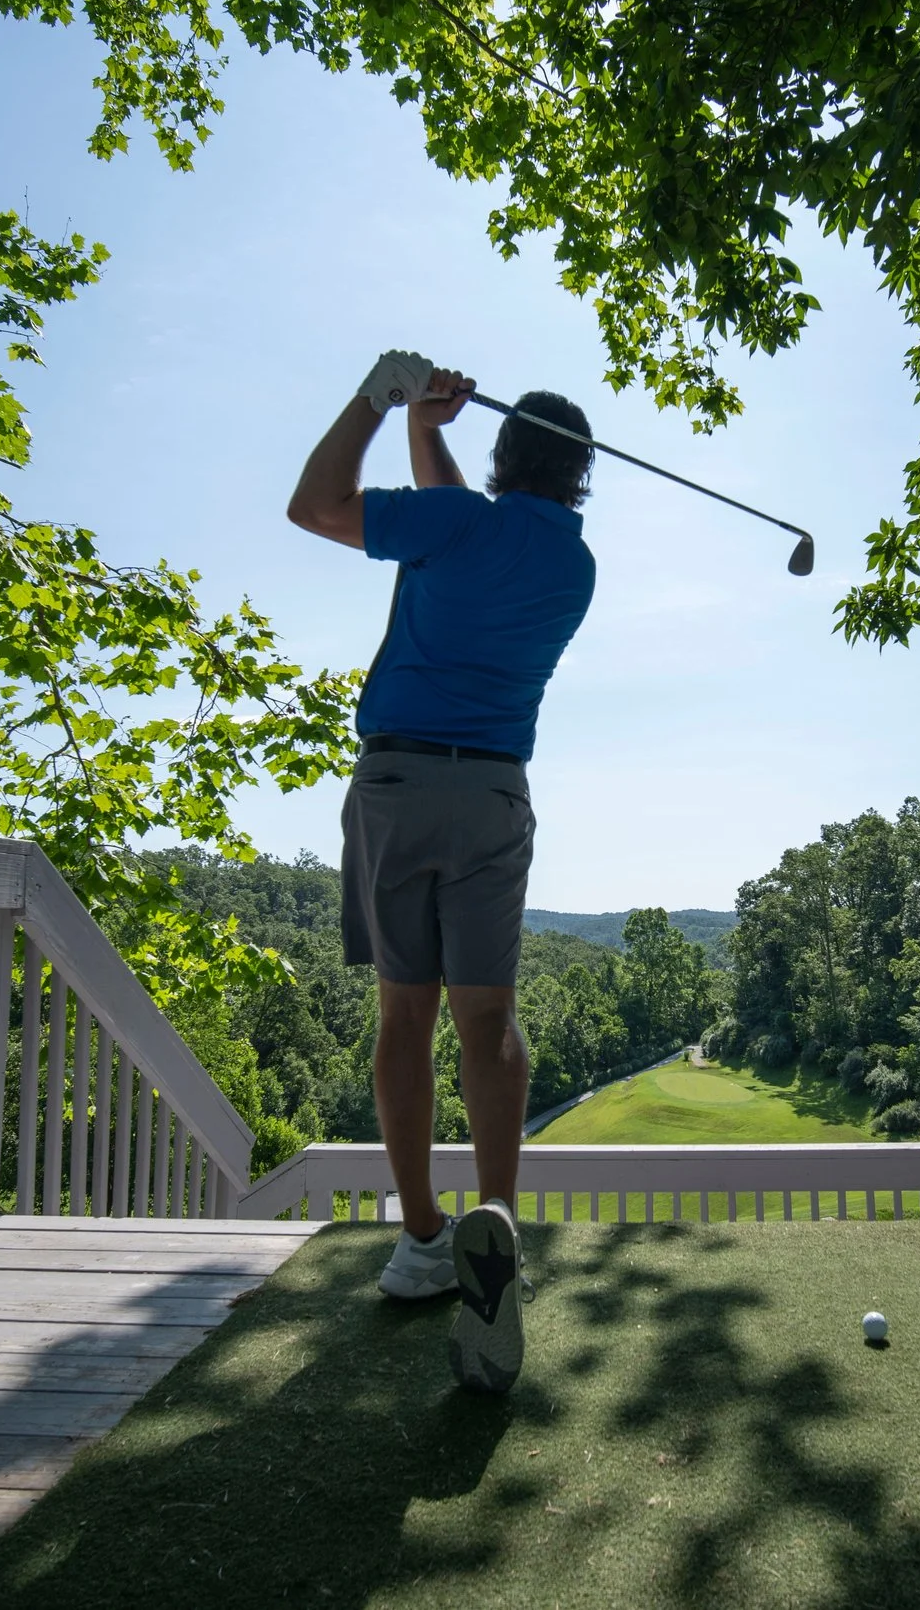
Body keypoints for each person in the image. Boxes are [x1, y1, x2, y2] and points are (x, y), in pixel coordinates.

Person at [285, 350, 597, 1393]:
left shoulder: (458, 526)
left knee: (403, 1019)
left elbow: (314, 505)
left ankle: (425, 1238)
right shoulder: (568, 561)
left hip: (396, 786)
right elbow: (459, 519)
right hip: (495, 796)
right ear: (579, 478)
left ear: (501, 457)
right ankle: (495, 1220)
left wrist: (381, 397)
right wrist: (431, 428)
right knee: (487, 1021)